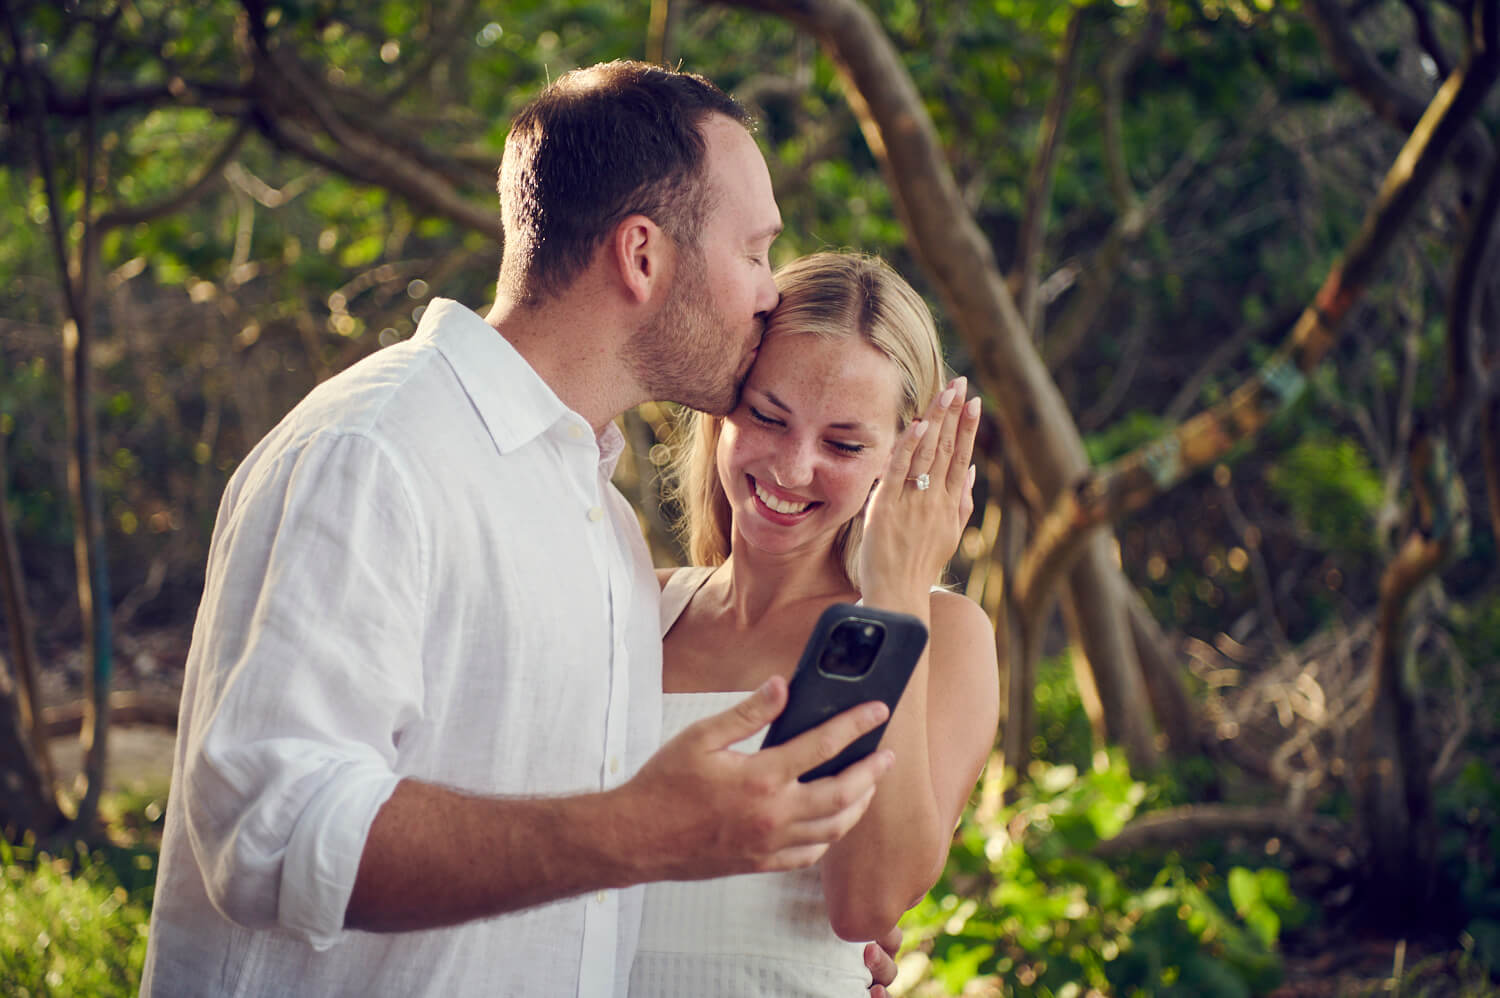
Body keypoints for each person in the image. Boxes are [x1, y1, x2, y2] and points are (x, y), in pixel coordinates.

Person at [142, 62, 903, 997]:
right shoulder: (375, 452)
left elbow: (568, 862)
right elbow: (270, 831)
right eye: (755, 251)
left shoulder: (610, 533)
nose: (768, 295)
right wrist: (639, 831)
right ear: (642, 255)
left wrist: (778, 946)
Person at [631, 253, 1001, 995]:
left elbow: (866, 904)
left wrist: (894, 590)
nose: (793, 469)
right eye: (768, 417)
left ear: (902, 456)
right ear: (723, 413)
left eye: (843, 444)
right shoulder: (637, 605)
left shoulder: (947, 634)